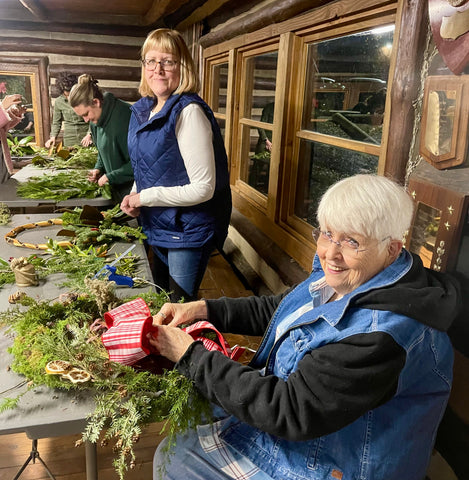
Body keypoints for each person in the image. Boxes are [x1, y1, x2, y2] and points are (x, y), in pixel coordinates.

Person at [148, 174, 462, 480]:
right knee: (179, 442)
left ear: (391, 248)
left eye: (352, 241)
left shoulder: (381, 335)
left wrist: (190, 355)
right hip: (304, 431)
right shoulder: (353, 276)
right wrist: (204, 309)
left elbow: (289, 410)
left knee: (175, 458)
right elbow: (282, 308)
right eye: (326, 233)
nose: (331, 254)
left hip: (332, 463)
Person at [120, 29, 231, 302]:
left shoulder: (188, 112)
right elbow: (146, 164)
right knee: (162, 299)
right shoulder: (145, 110)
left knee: (180, 308)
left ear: (183, 67)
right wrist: (136, 194)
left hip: (188, 231)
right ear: (144, 66)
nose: (158, 69)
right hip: (158, 223)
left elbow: (204, 188)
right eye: (151, 60)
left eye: (168, 61)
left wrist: (145, 197)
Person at [69, 74, 134, 203]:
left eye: (86, 114)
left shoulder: (126, 116)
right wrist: (98, 168)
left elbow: (142, 162)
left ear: (96, 102)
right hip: (116, 191)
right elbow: (102, 150)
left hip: (134, 192)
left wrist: (111, 176)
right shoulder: (95, 122)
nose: (86, 120)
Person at [45, 72, 92, 148]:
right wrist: (53, 137)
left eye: (71, 93)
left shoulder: (84, 99)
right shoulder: (59, 102)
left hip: (86, 136)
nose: (69, 96)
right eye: (67, 94)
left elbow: (93, 119)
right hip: (69, 138)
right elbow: (56, 122)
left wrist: (89, 134)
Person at [0, 93, 26, 182]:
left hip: (2, 154)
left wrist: (13, 114)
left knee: (5, 185)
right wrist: (2, 108)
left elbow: (3, 128)